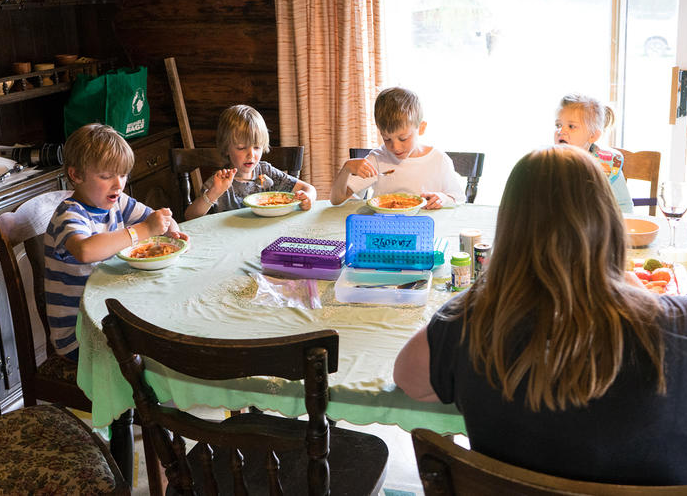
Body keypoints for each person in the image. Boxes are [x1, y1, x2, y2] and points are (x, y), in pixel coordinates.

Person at [393, 146, 687, 486]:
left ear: (509, 234)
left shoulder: (471, 323)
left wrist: (493, 285)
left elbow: (409, 380)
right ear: (610, 225)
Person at [44, 123, 186, 362]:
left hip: (110, 312)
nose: (118, 184)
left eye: (122, 174)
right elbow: (86, 250)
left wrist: (170, 226)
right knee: (160, 351)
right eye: (106, 176)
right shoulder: (70, 215)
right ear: (76, 175)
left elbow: (153, 216)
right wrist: (142, 230)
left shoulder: (116, 201)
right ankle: (140, 398)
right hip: (81, 333)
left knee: (175, 321)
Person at [330, 87, 465, 208]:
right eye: (387, 138)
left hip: (425, 229)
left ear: (421, 128)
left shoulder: (438, 160)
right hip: (384, 229)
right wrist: (346, 169)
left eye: (403, 138)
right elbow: (336, 200)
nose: (395, 147)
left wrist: (442, 198)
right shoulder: (377, 159)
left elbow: (458, 198)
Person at [184, 104, 316, 219]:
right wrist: (214, 193)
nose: (251, 154)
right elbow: (190, 217)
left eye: (257, 147)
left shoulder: (266, 172)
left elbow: (308, 188)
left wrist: (307, 197)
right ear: (226, 149)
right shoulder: (219, 182)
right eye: (241, 148)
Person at [554, 93, 634, 213]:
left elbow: (624, 207)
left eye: (571, 126)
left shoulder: (606, 165)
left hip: (597, 228)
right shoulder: (549, 162)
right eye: (558, 125)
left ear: (593, 136)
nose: (561, 131)